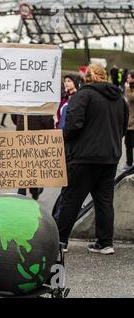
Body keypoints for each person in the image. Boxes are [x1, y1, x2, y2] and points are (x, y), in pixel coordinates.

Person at [56, 64, 128, 255]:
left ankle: (60, 241)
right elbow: (123, 128)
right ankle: (105, 242)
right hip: (110, 157)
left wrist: (65, 141)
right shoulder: (120, 98)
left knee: (71, 198)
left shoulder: (83, 95)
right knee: (104, 201)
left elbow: (73, 125)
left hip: (84, 157)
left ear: (86, 77)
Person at [15, 114, 54, 200]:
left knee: (23, 164)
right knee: (34, 165)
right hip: (36, 136)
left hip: (21, 135)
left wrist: (20, 124)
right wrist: (50, 131)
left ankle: (22, 191)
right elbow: (46, 120)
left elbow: (14, 116)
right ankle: (34, 191)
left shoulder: (20, 101)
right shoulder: (40, 101)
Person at [124, 71, 134, 170]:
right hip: (129, 123)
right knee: (128, 145)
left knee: (132, 145)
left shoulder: (129, 89)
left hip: (133, 123)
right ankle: (129, 163)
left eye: (129, 77)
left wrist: (127, 88)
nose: (127, 79)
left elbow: (130, 98)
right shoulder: (130, 88)